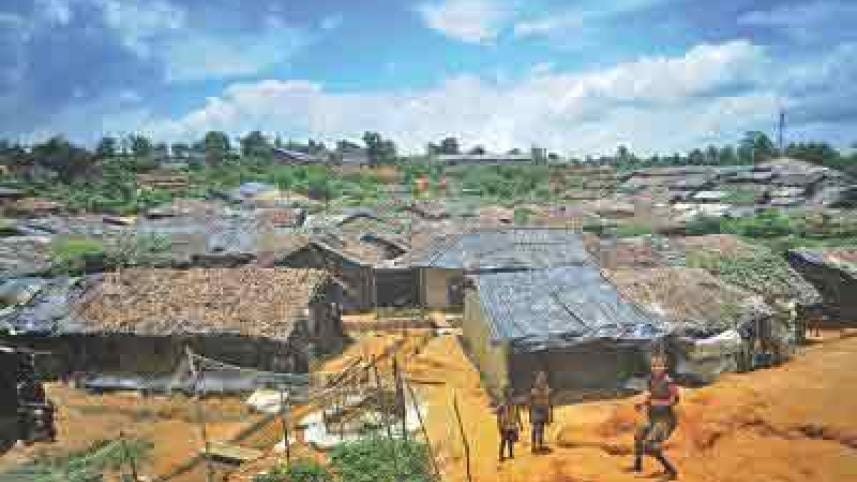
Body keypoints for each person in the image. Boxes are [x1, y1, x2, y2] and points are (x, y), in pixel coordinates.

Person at [630, 354, 679, 480]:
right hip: (653, 418)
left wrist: (654, 402)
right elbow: (649, 394)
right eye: (654, 366)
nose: (656, 368)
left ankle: (671, 471)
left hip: (665, 420)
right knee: (638, 435)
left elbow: (673, 401)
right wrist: (642, 403)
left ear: (665, 367)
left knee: (650, 444)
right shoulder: (650, 380)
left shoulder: (669, 382)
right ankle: (638, 465)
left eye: (659, 366)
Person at [496, 386, 522, 462]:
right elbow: (498, 413)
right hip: (505, 425)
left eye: (511, 393)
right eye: (508, 393)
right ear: (506, 394)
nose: (510, 395)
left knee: (511, 440)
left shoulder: (514, 404)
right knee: (504, 440)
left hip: (512, 425)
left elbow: (517, 414)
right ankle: (501, 455)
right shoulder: (503, 404)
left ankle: (510, 454)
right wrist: (500, 425)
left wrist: (520, 424)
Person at [528, 371, 552, 453]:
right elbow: (530, 404)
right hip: (536, 413)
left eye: (543, 379)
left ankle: (540, 445)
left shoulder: (547, 390)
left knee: (541, 429)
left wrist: (549, 415)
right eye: (540, 379)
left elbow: (548, 403)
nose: (542, 381)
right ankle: (534, 446)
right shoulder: (534, 391)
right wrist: (530, 415)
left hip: (543, 412)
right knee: (536, 429)